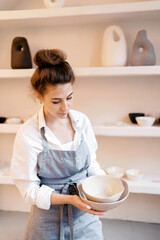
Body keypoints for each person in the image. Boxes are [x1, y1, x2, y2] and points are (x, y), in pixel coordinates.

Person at [11, 49, 106, 240]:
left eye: (69, 97)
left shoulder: (82, 121)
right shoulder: (29, 133)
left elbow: (91, 164)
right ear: (39, 97)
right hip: (47, 220)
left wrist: (104, 186)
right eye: (56, 101)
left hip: (85, 214)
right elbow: (29, 190)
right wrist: (70, 199)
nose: (65, 107)